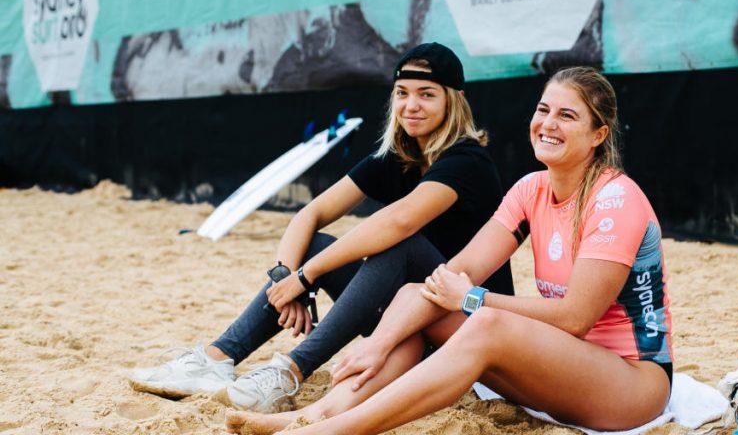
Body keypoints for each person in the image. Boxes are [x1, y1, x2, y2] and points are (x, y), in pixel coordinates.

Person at [226, 66, 675, 435]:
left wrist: (472, 298)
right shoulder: (531, 189)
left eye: (567, 116)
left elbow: (577, 317)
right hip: (557, 371)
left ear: (598, 135)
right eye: (543, 110)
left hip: (631, 385)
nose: (548, 124)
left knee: (486, 320)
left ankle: (331, 431)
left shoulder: (616, 198)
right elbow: (449, 277)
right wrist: (379, 344)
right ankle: (315, 415)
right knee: (419, 301)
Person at [129, 43, 514, 412]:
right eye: (402, 93)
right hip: (403, 317)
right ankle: (217, 358)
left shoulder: (468, 160)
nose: (411, 105)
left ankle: (289, 371)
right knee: (313, 245)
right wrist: (287, 279)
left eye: (426, 94)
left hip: (462, 323)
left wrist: (307, 275)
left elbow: (399, 221)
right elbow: (309, 215)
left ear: (453, 99)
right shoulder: (399, 156)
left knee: (399, 245)